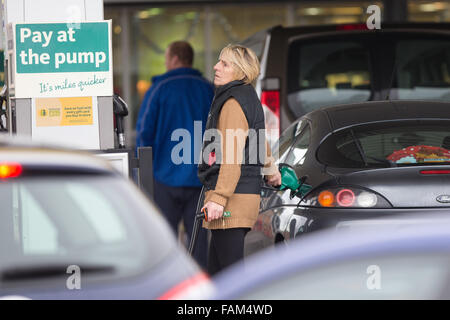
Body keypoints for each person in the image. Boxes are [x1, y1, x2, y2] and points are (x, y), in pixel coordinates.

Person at [198, 44, 282, 275]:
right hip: (243, 196)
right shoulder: (248, 97)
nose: (216, 67)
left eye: (224, 63)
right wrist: (271, 172)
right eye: (218, 61)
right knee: (218, 275)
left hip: (231, 201)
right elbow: (258, 140)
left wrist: (218, 198)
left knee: (233, 277)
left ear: (240, 71)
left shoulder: (233, 103)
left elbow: (231, 156)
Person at [136, 41, 214, 270]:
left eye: (166, 59)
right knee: (198, 243)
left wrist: (144, 174)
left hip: (164, 178)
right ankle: (201, 292)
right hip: (200, 179)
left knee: (164, 241)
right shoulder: (208, 89)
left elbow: (144, 133)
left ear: (175, 59)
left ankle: (168, 287)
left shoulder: (159, 89)